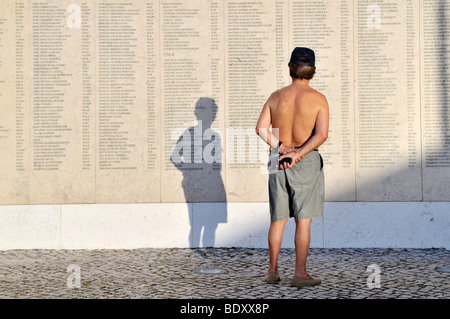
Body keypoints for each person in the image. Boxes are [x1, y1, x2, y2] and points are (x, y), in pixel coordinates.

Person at [255, 47, 329, 287]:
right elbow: (321, 135)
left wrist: (282, 148)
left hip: (277, 159)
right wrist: (298, 152)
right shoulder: (318, 99)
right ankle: (300, 273)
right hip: (306, 162)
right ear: (313, 72)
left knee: (277, 220)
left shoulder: (276, 96)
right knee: (303, 220)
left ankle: (272, 271)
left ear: (290, 68)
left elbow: (261, 129)